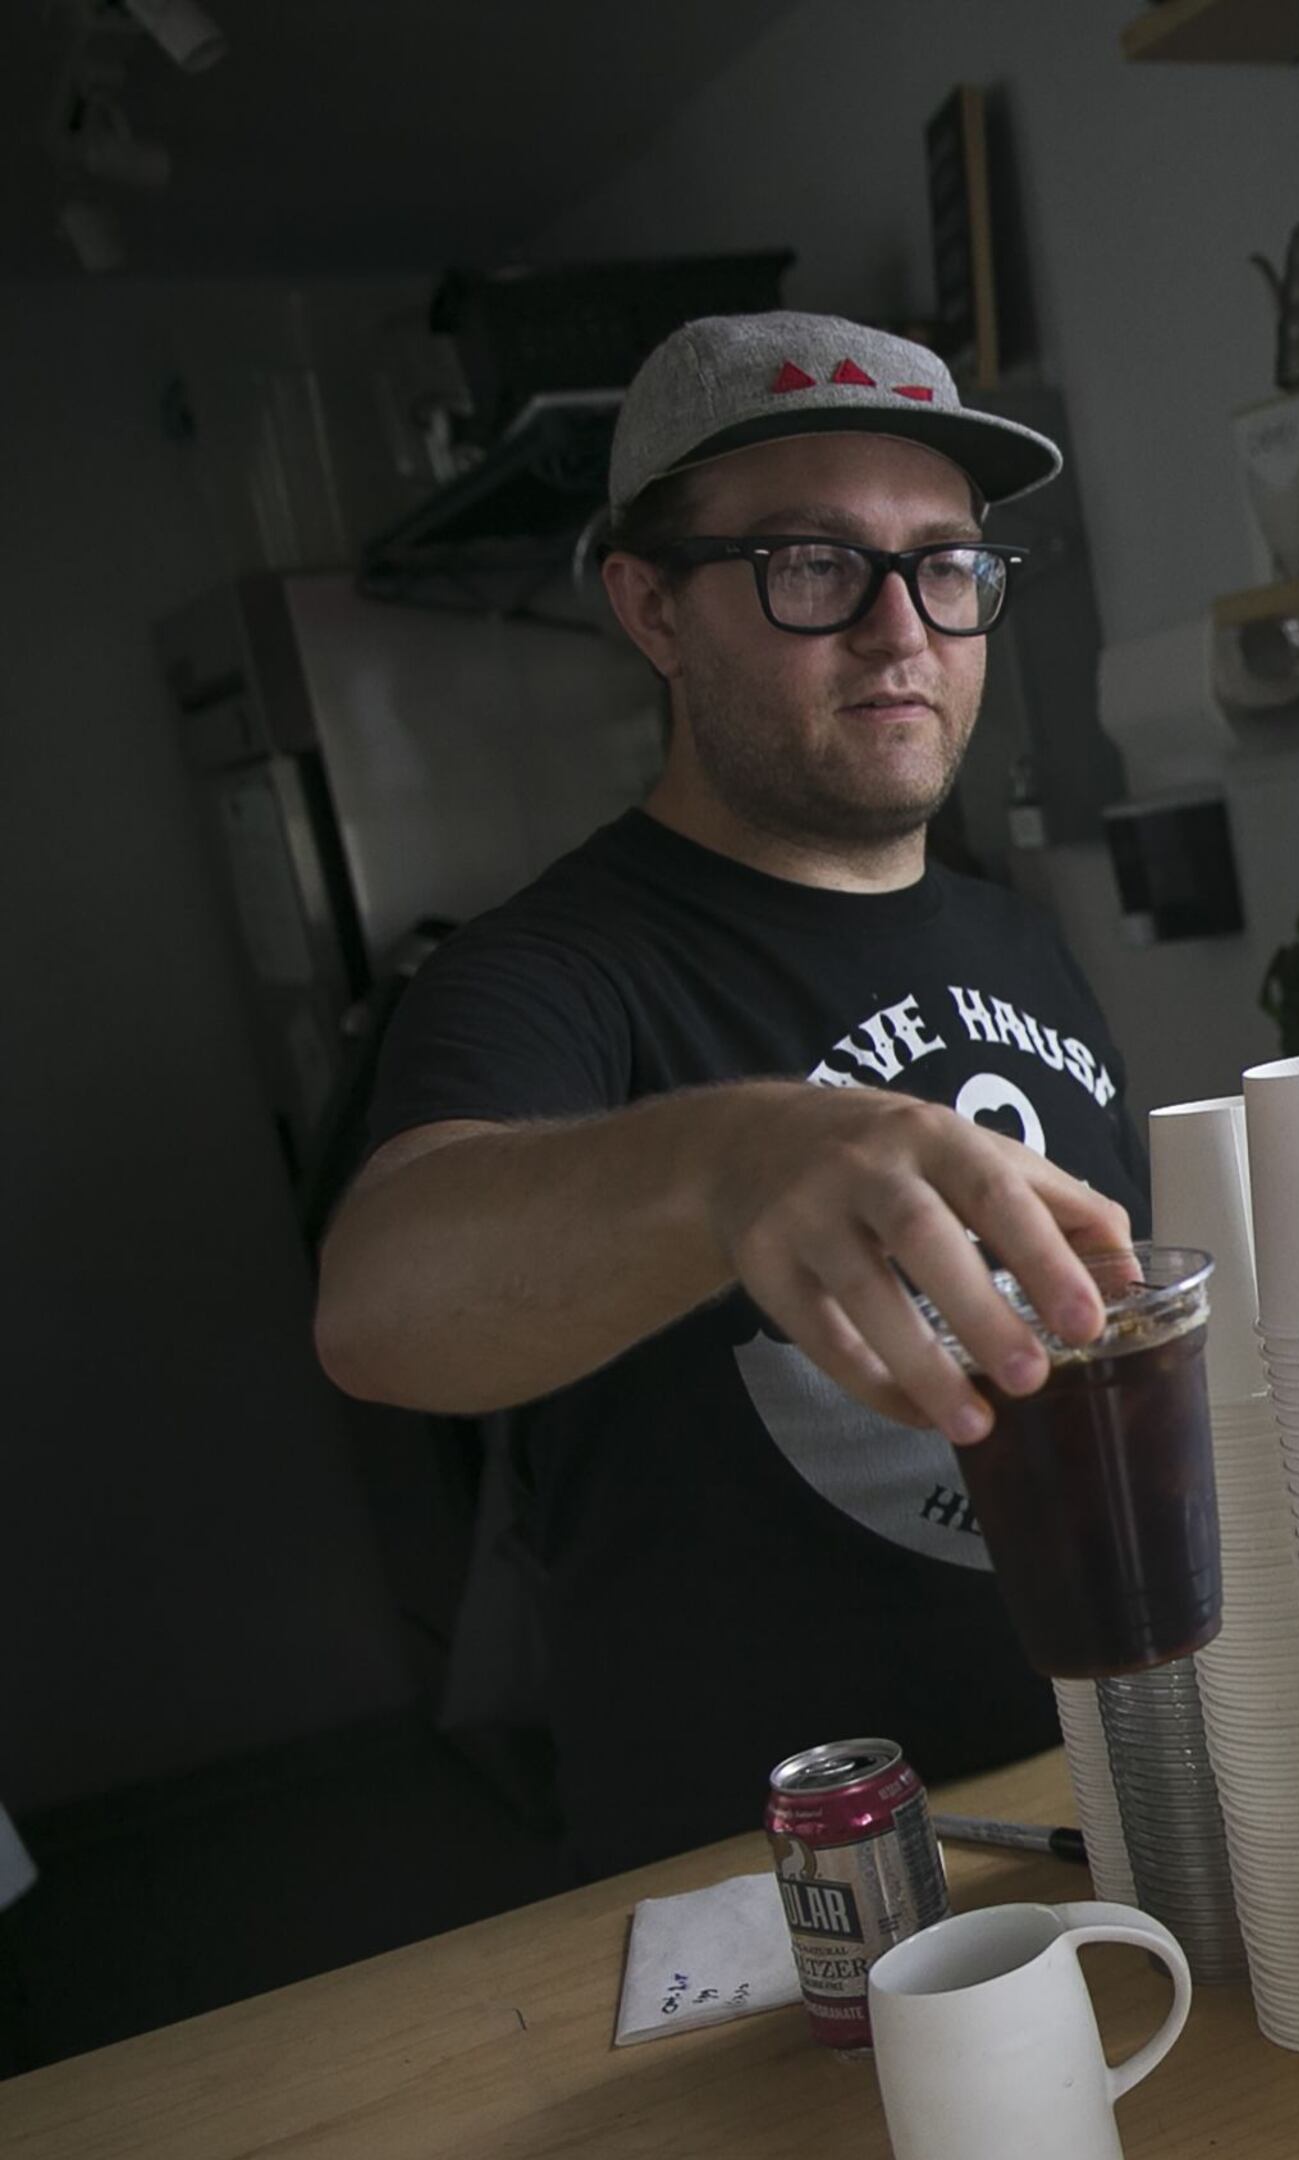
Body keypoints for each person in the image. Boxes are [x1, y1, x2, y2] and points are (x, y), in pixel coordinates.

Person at [313, 313, 1146, 1874]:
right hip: (777, 1873)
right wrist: (734, 1158)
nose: (903, 632)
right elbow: (378, 1309)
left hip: (1091, 1788)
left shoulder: (1016, 934)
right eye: (812, 565)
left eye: (945, 567)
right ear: (651, 607)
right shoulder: (542, 975)